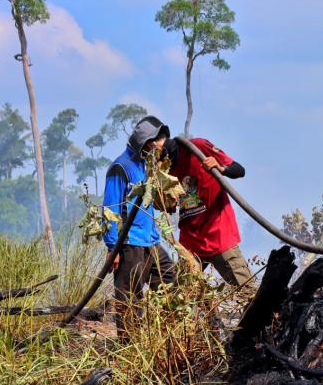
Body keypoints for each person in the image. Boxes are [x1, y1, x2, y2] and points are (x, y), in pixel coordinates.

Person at [102, 115, 177, 340]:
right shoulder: (120, 167)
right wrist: (112, 246)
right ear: (144, 142)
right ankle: (130, 347)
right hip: (129, 243)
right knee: (129, 297)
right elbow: (110, 207)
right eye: (154, 144)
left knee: (168, 280)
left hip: (151, 240)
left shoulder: (146, 166)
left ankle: (168, 337)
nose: (156, 149)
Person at [164, 136, 252, 286]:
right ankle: (210, 309)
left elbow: (239, 170)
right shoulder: (162, 170)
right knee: (180, 299)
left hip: (218, 236)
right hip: (190, 243)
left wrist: (221, 168)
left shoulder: (197, 147)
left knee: (247, 292)